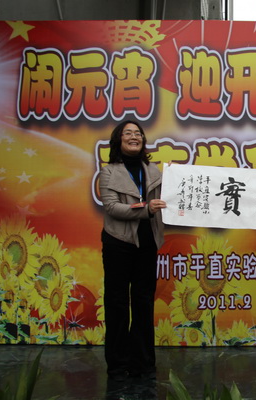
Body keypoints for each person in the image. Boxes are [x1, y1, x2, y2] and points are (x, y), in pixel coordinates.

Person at [100, 120, 167, 381]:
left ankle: (143, 363)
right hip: (118, 242)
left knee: (143, 301)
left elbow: (170, 197)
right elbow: (112, 207)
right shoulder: (108, 172)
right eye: (127, 133)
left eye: (138, 133)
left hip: (148, 241)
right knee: (117, 302)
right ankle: (117, 365)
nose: (134, 136)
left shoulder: (154, 170)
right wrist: (145, 209)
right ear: (118, 140)